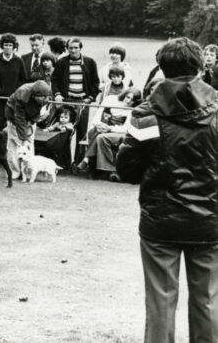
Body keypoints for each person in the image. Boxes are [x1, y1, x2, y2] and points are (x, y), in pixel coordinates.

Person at [116, 37, 218, 343]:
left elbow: (127, 169)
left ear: (161, 68)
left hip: (160, 221)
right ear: (200, 67)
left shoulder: (146, 115)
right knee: (208, 301)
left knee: (160, 302)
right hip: (210, 220)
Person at [76, 87, 141, 180]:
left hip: (115, 132)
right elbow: (97, 116)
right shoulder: (110, 99)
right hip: (98, 127)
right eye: (128, 97)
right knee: (97, 132)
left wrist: (109, 128)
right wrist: (99, 125)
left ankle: (87, 160)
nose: (128, 101)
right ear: (124, 94)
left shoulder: (131, 110)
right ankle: (91, 164)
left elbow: (125, 128)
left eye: (132, 100)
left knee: (100, 136)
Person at [52, 37, 100, 146]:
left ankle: (79, 162)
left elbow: (96, 82)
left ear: (80, 48)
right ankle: (64, 162)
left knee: (82, 134)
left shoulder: (90, 62)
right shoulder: (61, 62)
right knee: (65, 132)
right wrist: (58, 94)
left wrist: (90, 98)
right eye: (70, 48)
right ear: (67, 48)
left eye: (76, 48)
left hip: (83, 103)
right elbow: (54, 81)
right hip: (67, 102)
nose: (73, 50)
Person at [3, 80, 53, 177]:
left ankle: (28, 170)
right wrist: (23, 138)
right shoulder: (22, 94)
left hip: (31, 117)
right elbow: (19, 118)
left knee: (29, 144)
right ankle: (15, 171)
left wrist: (32, 122)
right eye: (43, 97)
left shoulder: (45, 94)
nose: (46, 99)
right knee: (14, 143)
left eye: (47, 96)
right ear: (34, 95)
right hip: (14, 117)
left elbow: (40, 110)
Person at [0, 33, 27, 131]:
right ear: (2, 46)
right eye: (6, 45)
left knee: (13, 125)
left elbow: (24, 79)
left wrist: (16, 92)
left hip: (14, 99)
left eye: (10, 45)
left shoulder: (19, 61)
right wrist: (0, 90)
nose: (8, 47)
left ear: (14, 47)